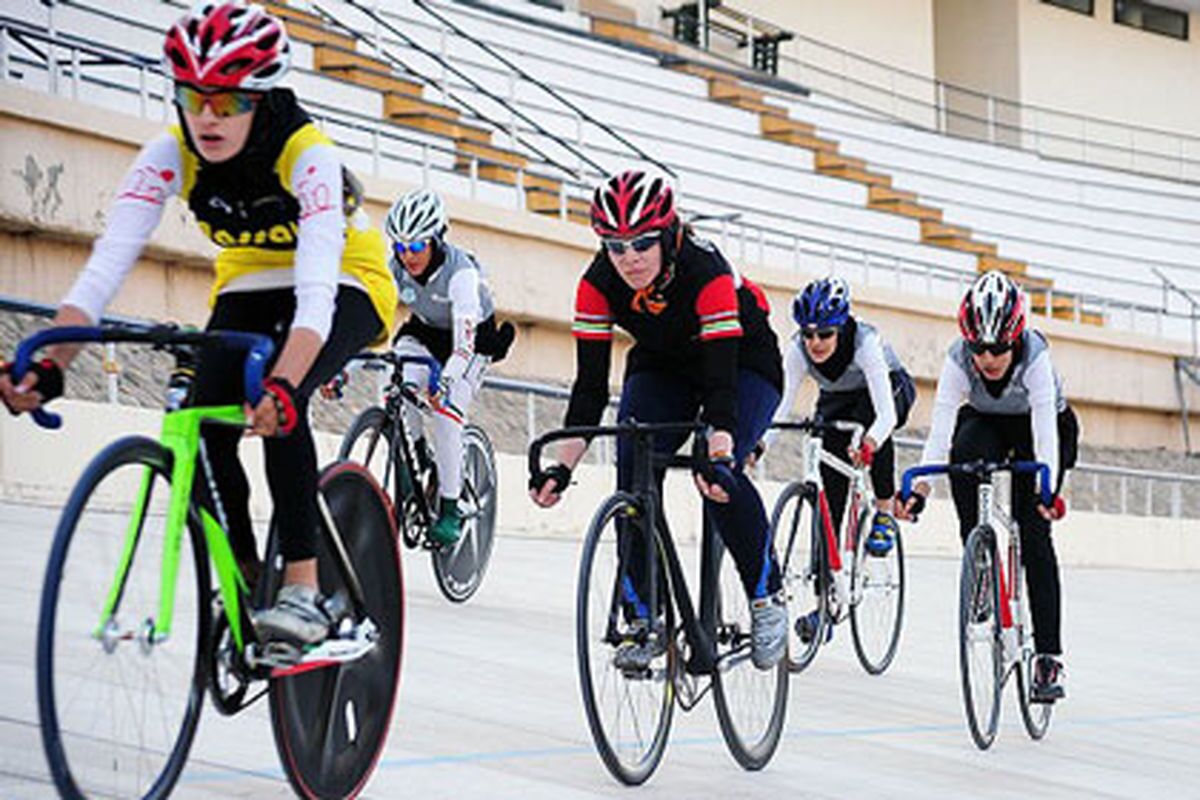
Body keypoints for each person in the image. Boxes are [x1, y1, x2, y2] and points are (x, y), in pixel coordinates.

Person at [0, 2, 397, 649]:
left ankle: (303, 587)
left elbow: (318, 296)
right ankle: (245, 583)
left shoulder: (307, 154)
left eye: (229, 102)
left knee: (278, 403)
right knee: (205, 431)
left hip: (345, 282)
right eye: (193, 97)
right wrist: (48, 363)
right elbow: (103, 272)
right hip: (247, 282)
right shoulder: (169, 151)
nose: (208, 117)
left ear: (261, 99)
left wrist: (285, 386)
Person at [528, 169, 787, 670]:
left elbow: (720, 384)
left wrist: (720, 447)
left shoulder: (705, 269)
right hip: (663, 361)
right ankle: (644, 615)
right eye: (615, 245)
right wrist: (562, 467)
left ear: (669, 233)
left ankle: (767, 594)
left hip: (741, 363)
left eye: (643, 243)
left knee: (716, 477)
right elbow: (588, 389)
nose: (629, 258)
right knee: (633, 463)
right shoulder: (597, 285)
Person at [897, 270, 1079, 702]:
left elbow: (1045, 434)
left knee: (1034, 534)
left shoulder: (1035, 357)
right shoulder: (958, 358)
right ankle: (978, 559)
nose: (988, 358)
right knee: (962, 454)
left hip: (1043, 427)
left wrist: (1046, 491)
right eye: (979, 348)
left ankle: (1049, 658)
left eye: (998, 348)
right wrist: (917, 492)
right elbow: (940, 430)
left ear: (1015, 338)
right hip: (988, 422)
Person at [758, 276, 915, 641]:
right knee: (828, 497)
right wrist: (759, 444)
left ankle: (885, 512)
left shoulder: (866, 343)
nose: (815, 343)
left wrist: (871, 442)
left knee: (869, 422)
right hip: (838, 398)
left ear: (841, 327)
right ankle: (826, 603)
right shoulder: (797, 349)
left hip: (887, 389)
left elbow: (886, 415)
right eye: (809, 334)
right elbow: (781, 405)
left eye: (825, 334)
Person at [374, 187, 514, 545]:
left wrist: (446, 385)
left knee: (447, 413)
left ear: (436, 239)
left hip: (471, 339)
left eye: (417, 246)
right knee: (399, 379)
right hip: (425, 331)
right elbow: (371, 315)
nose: (408, 256)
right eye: (401, 247)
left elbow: (464, 346)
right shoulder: (394, 268)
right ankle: (415, 453)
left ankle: (450, 508)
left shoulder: (460, 273)